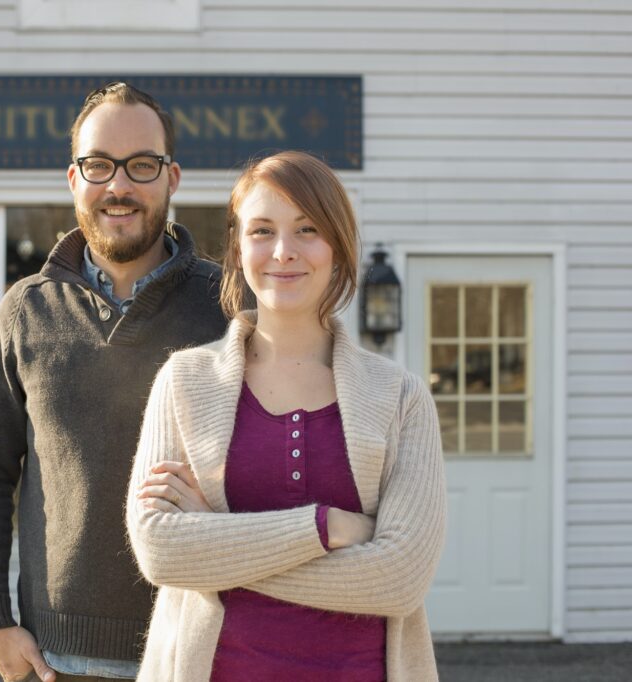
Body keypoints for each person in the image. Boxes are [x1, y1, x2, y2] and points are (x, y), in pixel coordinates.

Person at [126, 150, 447, 681]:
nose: (283, 251)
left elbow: (400, 580)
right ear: (237, 247)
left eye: (306, 229)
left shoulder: (401, 398)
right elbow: (162, 551)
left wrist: (217, 543)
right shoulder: (185, 381)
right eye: (262, 230)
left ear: (338, 247)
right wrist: (326, 527)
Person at [0, 82, 228, 682]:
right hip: (57, 662)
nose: (119, 185)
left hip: (203, 651)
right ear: (73, 179)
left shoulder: (232, 307)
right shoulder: (25, 311)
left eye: (142, 166)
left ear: (172, 178)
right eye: (99, 165)